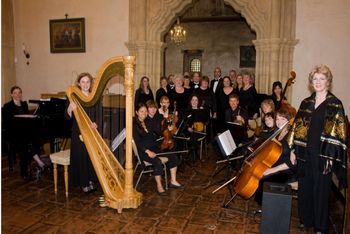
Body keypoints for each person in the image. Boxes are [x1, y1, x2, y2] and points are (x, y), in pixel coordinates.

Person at [288, 64, 347, 234]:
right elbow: (296, 128)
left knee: (320, 190)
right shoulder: (306, 103)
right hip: (304, 153)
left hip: (323, 154)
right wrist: (292, 149)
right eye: (315, 79)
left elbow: (339, 134)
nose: (318, 82)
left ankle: (321, 226)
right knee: (305, 187)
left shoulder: (335, 104)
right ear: (311, 82)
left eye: (322, 79)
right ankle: (306, 220)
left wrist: (331, 156)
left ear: (328, 81)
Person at [133, 103, 183, 196]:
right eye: (141, 111)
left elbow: (159, 131)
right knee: (157, 161)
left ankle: (173, 181)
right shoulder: (134, 125)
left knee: (173, 156)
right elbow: (137, 143)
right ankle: (159, 186)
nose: (144, 113)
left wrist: (167, 127)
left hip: (154, 148)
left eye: (145, 111)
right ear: (137, 112)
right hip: (144, 151)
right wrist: (148, 151)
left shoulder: (148, 121)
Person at [254, 108, 296, 205]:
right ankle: (265, 204)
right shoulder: (277, 133)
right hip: (276, 165)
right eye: (277, 119)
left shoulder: (291, 136)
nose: (279, 122)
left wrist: (273, 170)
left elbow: (293, 162)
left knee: (264, 179)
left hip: (287, 170)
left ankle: (268, 207)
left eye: (283, 119)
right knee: (258, 171)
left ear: (288, 120)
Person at [66, 73, 100, 193]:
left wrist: (96, 123)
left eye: (88, 82)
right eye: (83, 82)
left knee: (90, 156)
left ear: (91, 84)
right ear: (79, 83)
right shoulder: (72, 97)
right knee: (81, 156)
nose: (85, 84)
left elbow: (98, 115)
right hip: (77, 132)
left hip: (91, 132)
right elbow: (67, 117)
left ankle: (90, 180)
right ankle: (83, 183)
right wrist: (69, 109)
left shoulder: (94, 97)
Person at [2, 86, 46, 178]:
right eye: (15, 93)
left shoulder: (24, 104)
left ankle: (35, 164)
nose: (17, 95)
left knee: (37, 140)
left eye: (19, 92)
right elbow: (7, 123)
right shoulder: (7, 106)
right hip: (12, 133)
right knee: (25, 143)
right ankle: (26, 170)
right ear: (11, 94)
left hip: (24, 132)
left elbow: (27, 121)